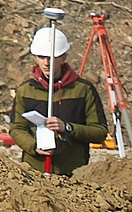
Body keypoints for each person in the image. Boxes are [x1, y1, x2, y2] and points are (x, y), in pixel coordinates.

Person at [9, 25, 110, 175]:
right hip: (34, 173)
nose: (46, 63)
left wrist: (68, 128)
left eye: (51, 58)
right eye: (41, 57)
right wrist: (33, 146)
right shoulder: (25, 90)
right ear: (35, 57)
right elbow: (17, 128)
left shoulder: (83, 90)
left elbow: (99, 132)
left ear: (63, 58)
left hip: (73, 173)